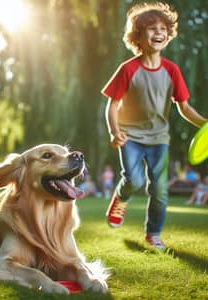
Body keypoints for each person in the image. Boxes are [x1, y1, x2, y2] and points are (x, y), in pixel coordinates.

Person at [101, 2, 207, 250]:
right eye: (151, 28)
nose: (158, 33)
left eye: (163, 28)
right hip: (130, 137)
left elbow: (184, 108)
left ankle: (154, 234)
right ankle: (120, 196)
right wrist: (115, 132)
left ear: (168, 35)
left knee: (159, 190)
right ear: (138, 35)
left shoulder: (172, 70)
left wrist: (205, 124)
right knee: (134, 180)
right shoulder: (128, 69)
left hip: (159, 139)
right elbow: (112, 105)